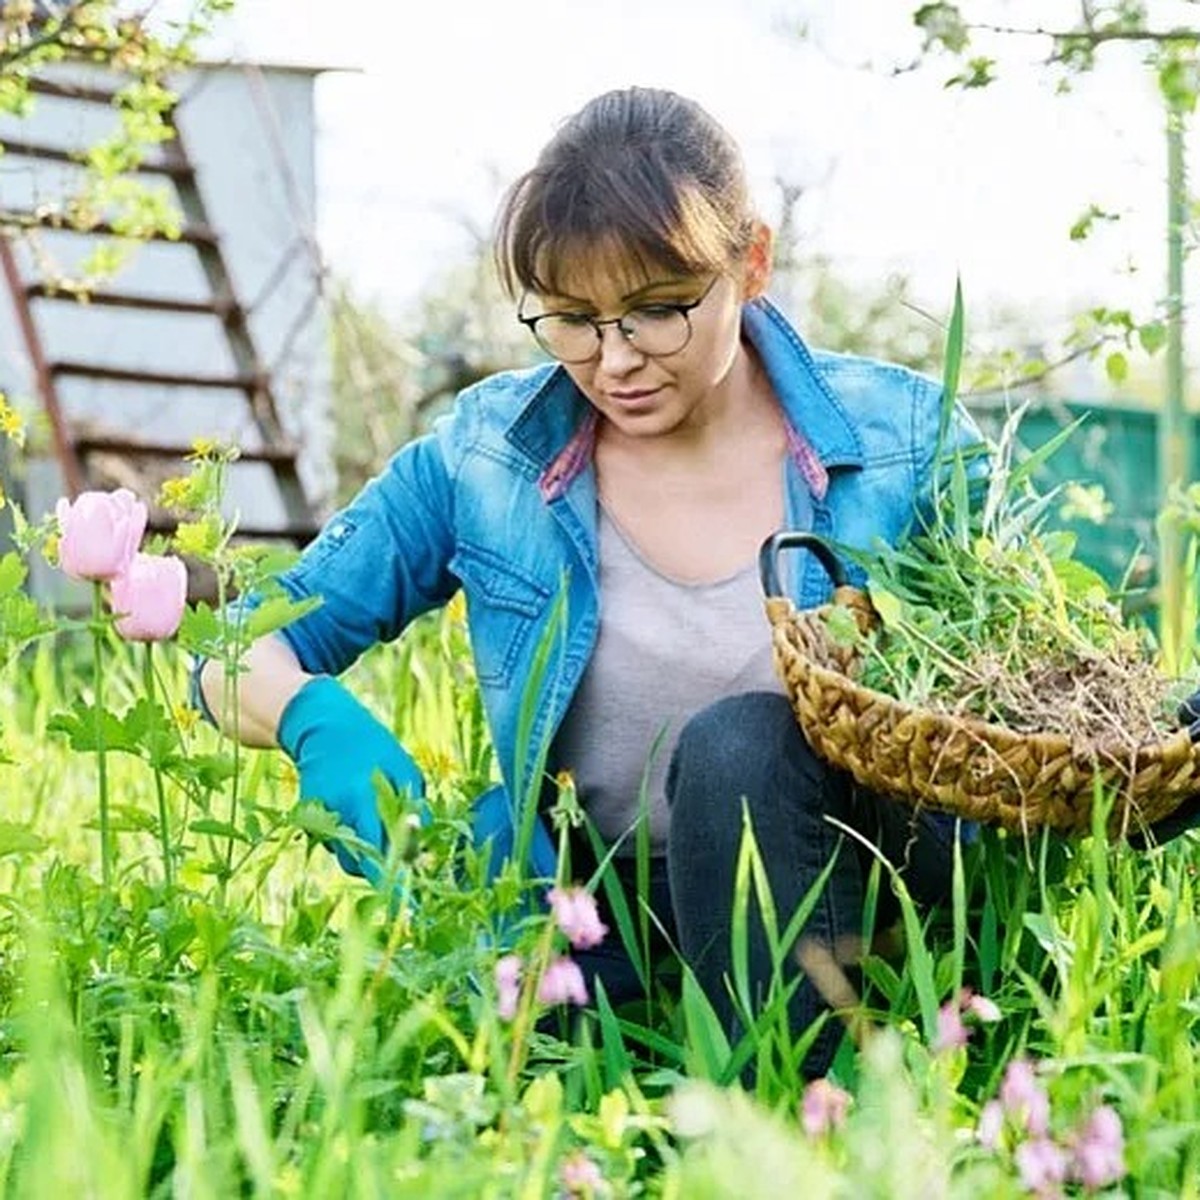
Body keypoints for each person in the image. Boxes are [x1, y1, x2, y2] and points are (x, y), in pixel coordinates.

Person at [195, 86, 984, 1079]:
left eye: (658, 311)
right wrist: (312, 718)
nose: (615, 361)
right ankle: (598, 1072)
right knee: (495, 844)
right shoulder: (488, 460)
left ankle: (784, 1110)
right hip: (592, 910)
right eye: (572, 320)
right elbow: (232, 651)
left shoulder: (905, 444)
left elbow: (1037, 683)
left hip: (849, 903)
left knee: (742, 741)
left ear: (751, 262)